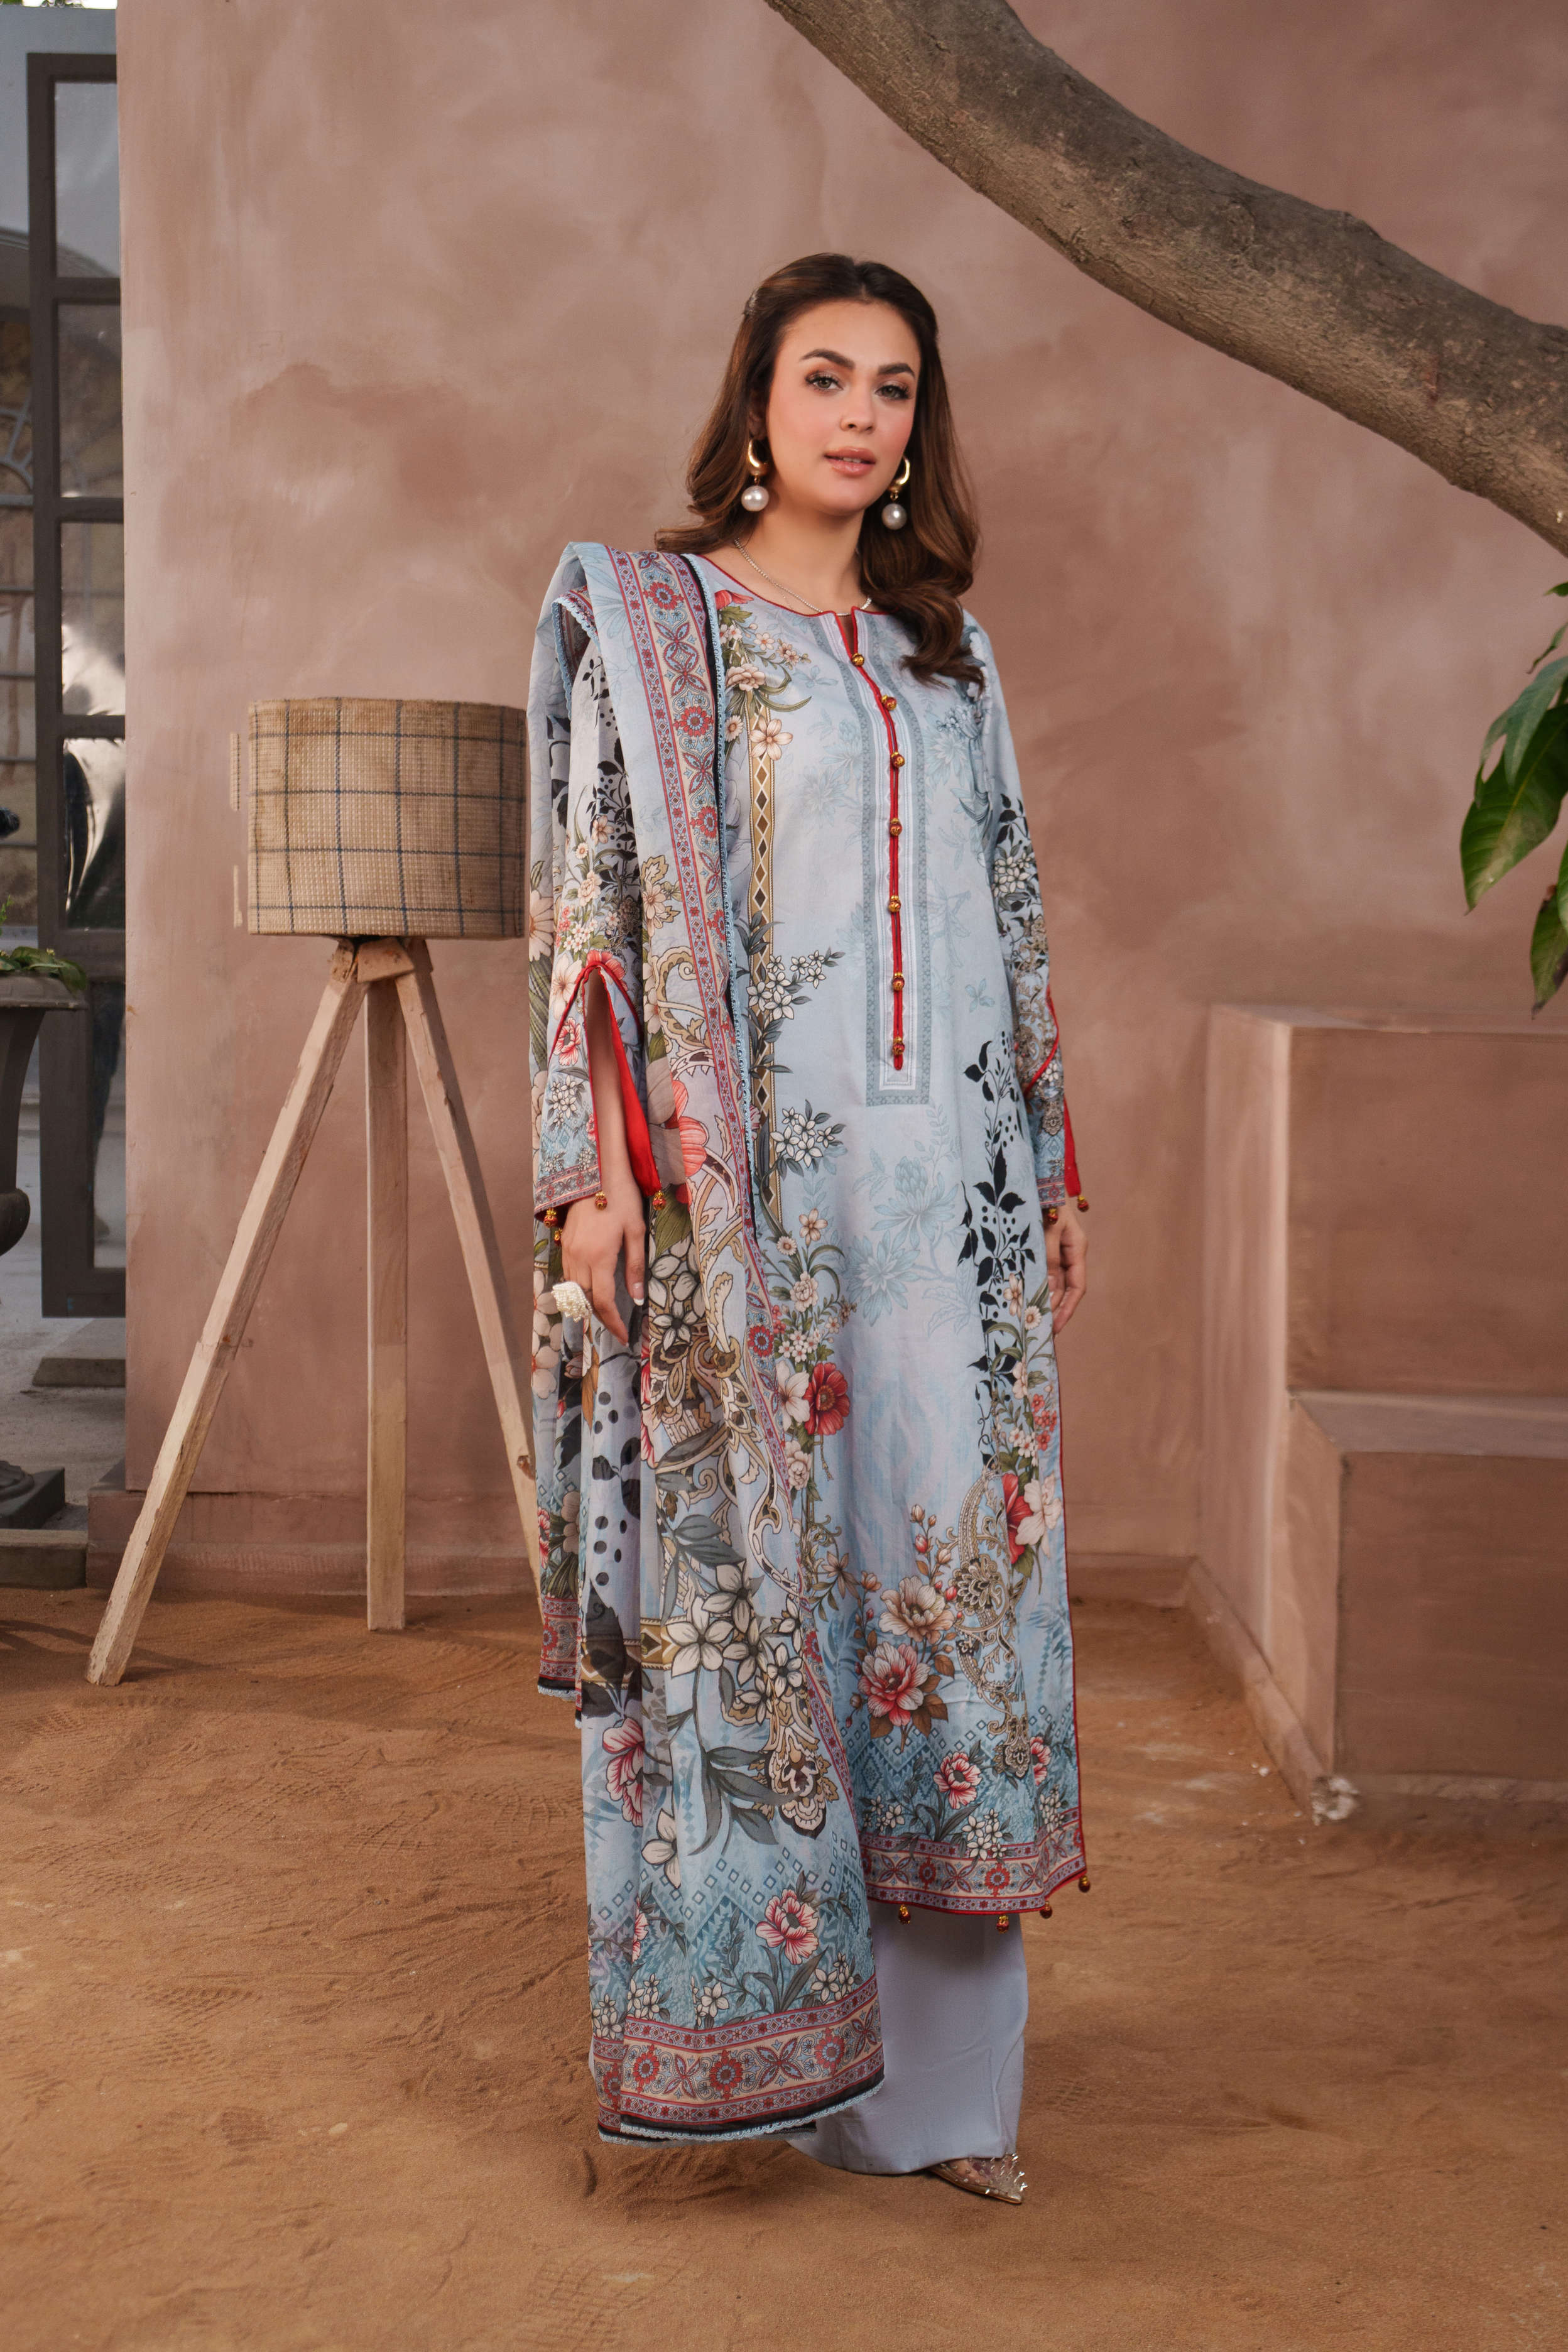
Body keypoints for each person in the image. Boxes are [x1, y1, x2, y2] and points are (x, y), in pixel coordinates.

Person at [527, 253, 1090, 2202]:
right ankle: (767, 2049)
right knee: (761, 1604)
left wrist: (1052, 1168)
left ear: (921, 425)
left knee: (953, 1615)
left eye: (895, 386)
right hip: (751, 1214)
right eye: (826, 376)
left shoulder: (951, 655)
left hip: (955, 1216)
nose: (861, 415)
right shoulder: (664, 627)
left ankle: (940, 2107)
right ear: (756, 404)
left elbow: (1012, 911)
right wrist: (594, 1177)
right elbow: (593, 910)